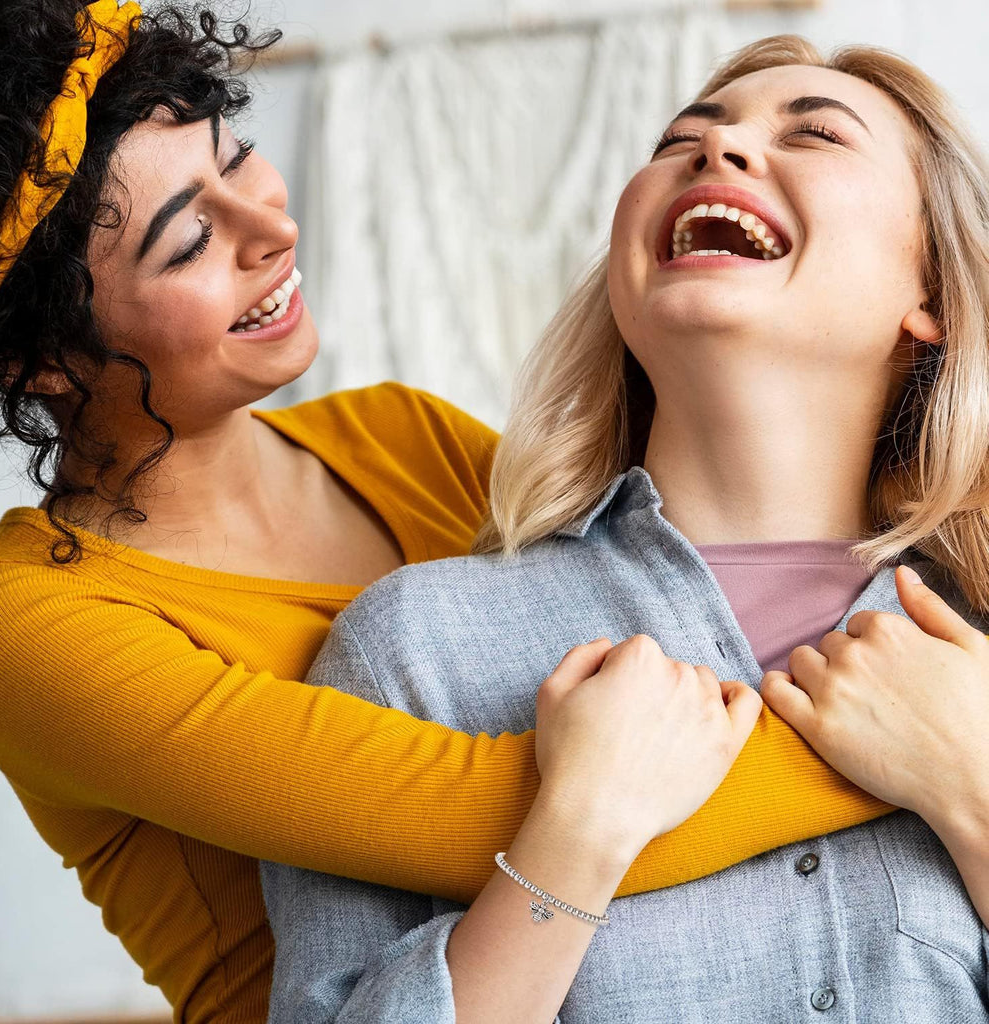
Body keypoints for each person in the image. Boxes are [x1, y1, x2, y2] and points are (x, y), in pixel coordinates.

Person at [0, 3, 914, 1020]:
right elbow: (496, 812)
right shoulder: (19, 626)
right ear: (42, 360)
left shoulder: (400, 437)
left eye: (237, 162)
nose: (274, 231)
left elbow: (705, 550)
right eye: (192, 238)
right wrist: (934, 737)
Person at [261, 33, 989, 1024]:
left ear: (931, 295)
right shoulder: (413, 652)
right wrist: (575, 834)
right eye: (680, 139)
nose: (718, 151)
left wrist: (976, 795)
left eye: (813, 134)